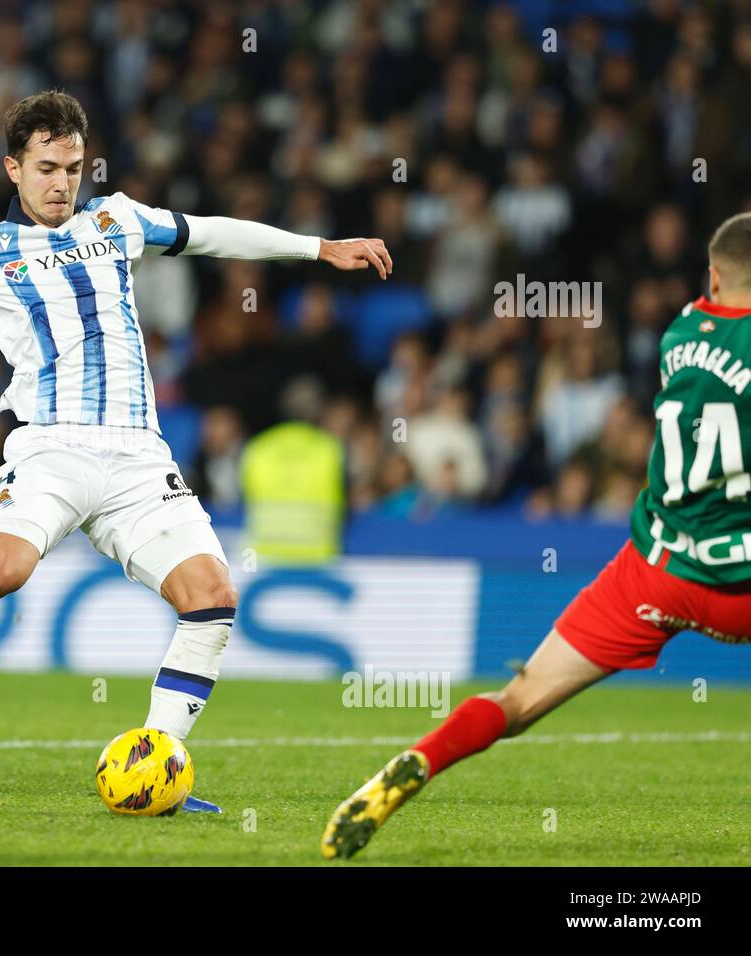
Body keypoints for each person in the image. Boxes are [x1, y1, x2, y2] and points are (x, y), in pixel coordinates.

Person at [0, 90, 392, 813]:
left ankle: (158, 768)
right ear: (12, 168)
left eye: (72, 166)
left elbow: (212, 233)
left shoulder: (117, 218)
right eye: (45, 167)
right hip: (51, 449)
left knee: (213, 598)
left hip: (139, 458)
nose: (61, 182)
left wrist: (316, 247)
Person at [321, 211, 751, 859]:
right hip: (741, 582)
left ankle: (420, 757)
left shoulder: (679, 332)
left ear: (714, 276)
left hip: (657, 570)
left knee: (518, 699)